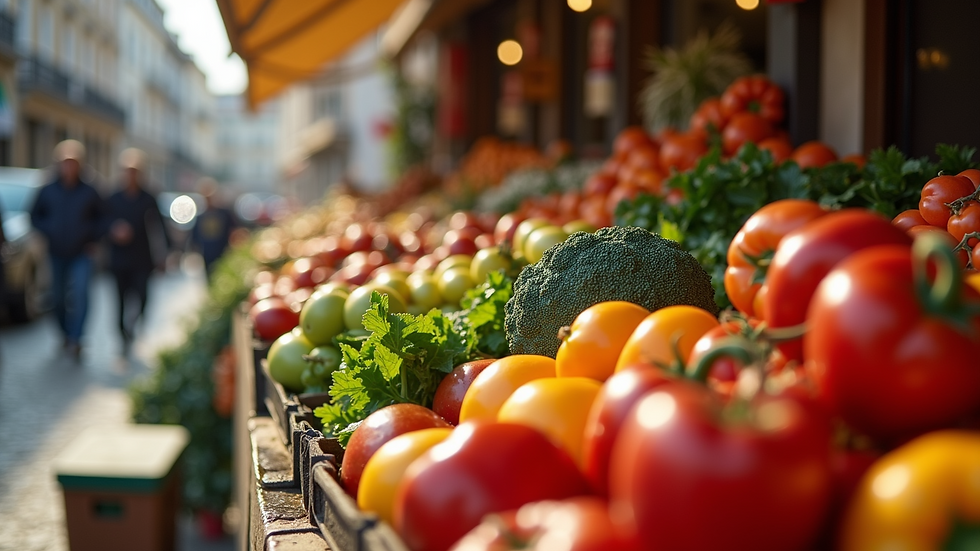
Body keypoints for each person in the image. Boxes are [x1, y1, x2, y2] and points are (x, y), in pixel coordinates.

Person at [29, 139, 105, 361]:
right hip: (56, 251)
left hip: (82, 252)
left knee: (81, 294)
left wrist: (93, 237)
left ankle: (77, 337)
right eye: (66, 162)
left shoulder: (90, 190)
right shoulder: (48, 189)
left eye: (73, 163)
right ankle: (64, 333)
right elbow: (34, 215)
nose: (69, 167)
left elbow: (103, 218)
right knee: (58, 297)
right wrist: (48, 230)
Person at [105, 148, 170, 355]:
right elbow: (102, 223)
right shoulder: (113, 197)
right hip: (119, 259)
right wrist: (113, 230)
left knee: (142, 296)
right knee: (120, 300)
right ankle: (123, 333)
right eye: (127, 171)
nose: (130, 175)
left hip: (142, 259)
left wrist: (166, 254)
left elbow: (159, 226)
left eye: (135, 171)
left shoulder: (148, 197)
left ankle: (133, 323)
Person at [190, 178, 236, 279]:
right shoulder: (200, 216)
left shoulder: (224, 213)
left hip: (222, 252)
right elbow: (195, 237)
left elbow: (233, 231)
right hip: (207, 253)